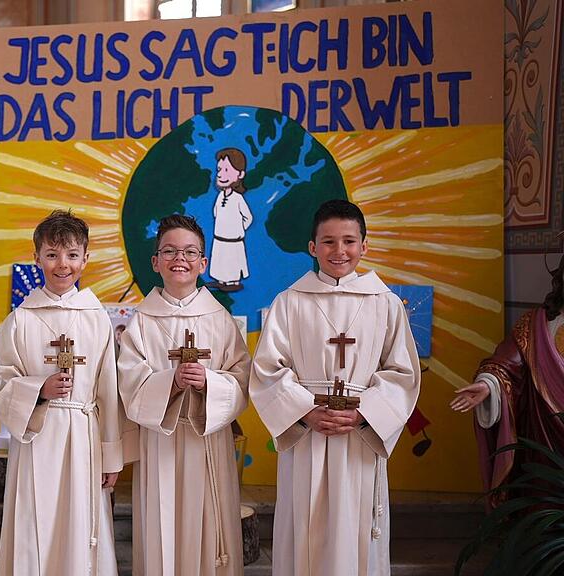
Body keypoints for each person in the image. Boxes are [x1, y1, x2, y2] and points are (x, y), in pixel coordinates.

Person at [249, 199, 420, 576]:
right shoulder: (289, 302)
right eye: (328, 242)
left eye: (349, 241)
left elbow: (402, 373)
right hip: (309, 435)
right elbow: (267, 369)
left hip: (358, 436)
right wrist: (306, 411)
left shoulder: (386, 304)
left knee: (355, 534)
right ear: (313, 247)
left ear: (364, 245)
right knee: (305, 529)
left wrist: (364, 414)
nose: (339, 251)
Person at [0, 209, 124, 575]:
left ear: (85, 258)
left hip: (83, 434)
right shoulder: (20, 320)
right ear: (37, 258)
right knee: (36, 520)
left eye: (71, 255)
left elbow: (108, 391)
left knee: (80, 524)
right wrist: (39, 389)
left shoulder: (96, 317)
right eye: (52, 254)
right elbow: (0, 383)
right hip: (37, 437)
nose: (62, 264)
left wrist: (111, 457)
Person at [118, 214, 250, 575]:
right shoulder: (141, 322)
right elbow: (128, 384)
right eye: (170, 251)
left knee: (209, 534)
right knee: (162, 532)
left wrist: (210, 383)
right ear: (155, 261)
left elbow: (242, 380)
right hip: (159, 443)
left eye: (190, 252)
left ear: (203, 263)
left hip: (208, 442)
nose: (180, 259)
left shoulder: (220, 319)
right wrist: (171, 383)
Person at [450, 253, 564, 503]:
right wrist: (488, 385)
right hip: (543, 438)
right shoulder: (536, 325)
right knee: (542, 499)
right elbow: (505, 364)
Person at [208, 148, 253, 292]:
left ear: (240, 174)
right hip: (219, 238)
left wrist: (238, 228)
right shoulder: (220, 196)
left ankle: (233, 282)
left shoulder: (238, 198)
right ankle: (221, 281)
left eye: (227, 170)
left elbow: (248, 217)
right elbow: (216, 212)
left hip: (233, 240)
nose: (221, 174)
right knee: (220, 261)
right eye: (219, 169)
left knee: (232, 261)